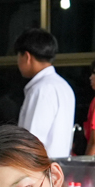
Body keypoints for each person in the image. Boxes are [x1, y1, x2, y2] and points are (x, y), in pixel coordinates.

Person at [12, 28, 76, 159]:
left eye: (18, 56)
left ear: (27, 57)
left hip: (40, 167)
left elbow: (31, 141)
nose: (17, 62)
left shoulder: (41, 89)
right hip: (59, 165)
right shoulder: (63, 86)